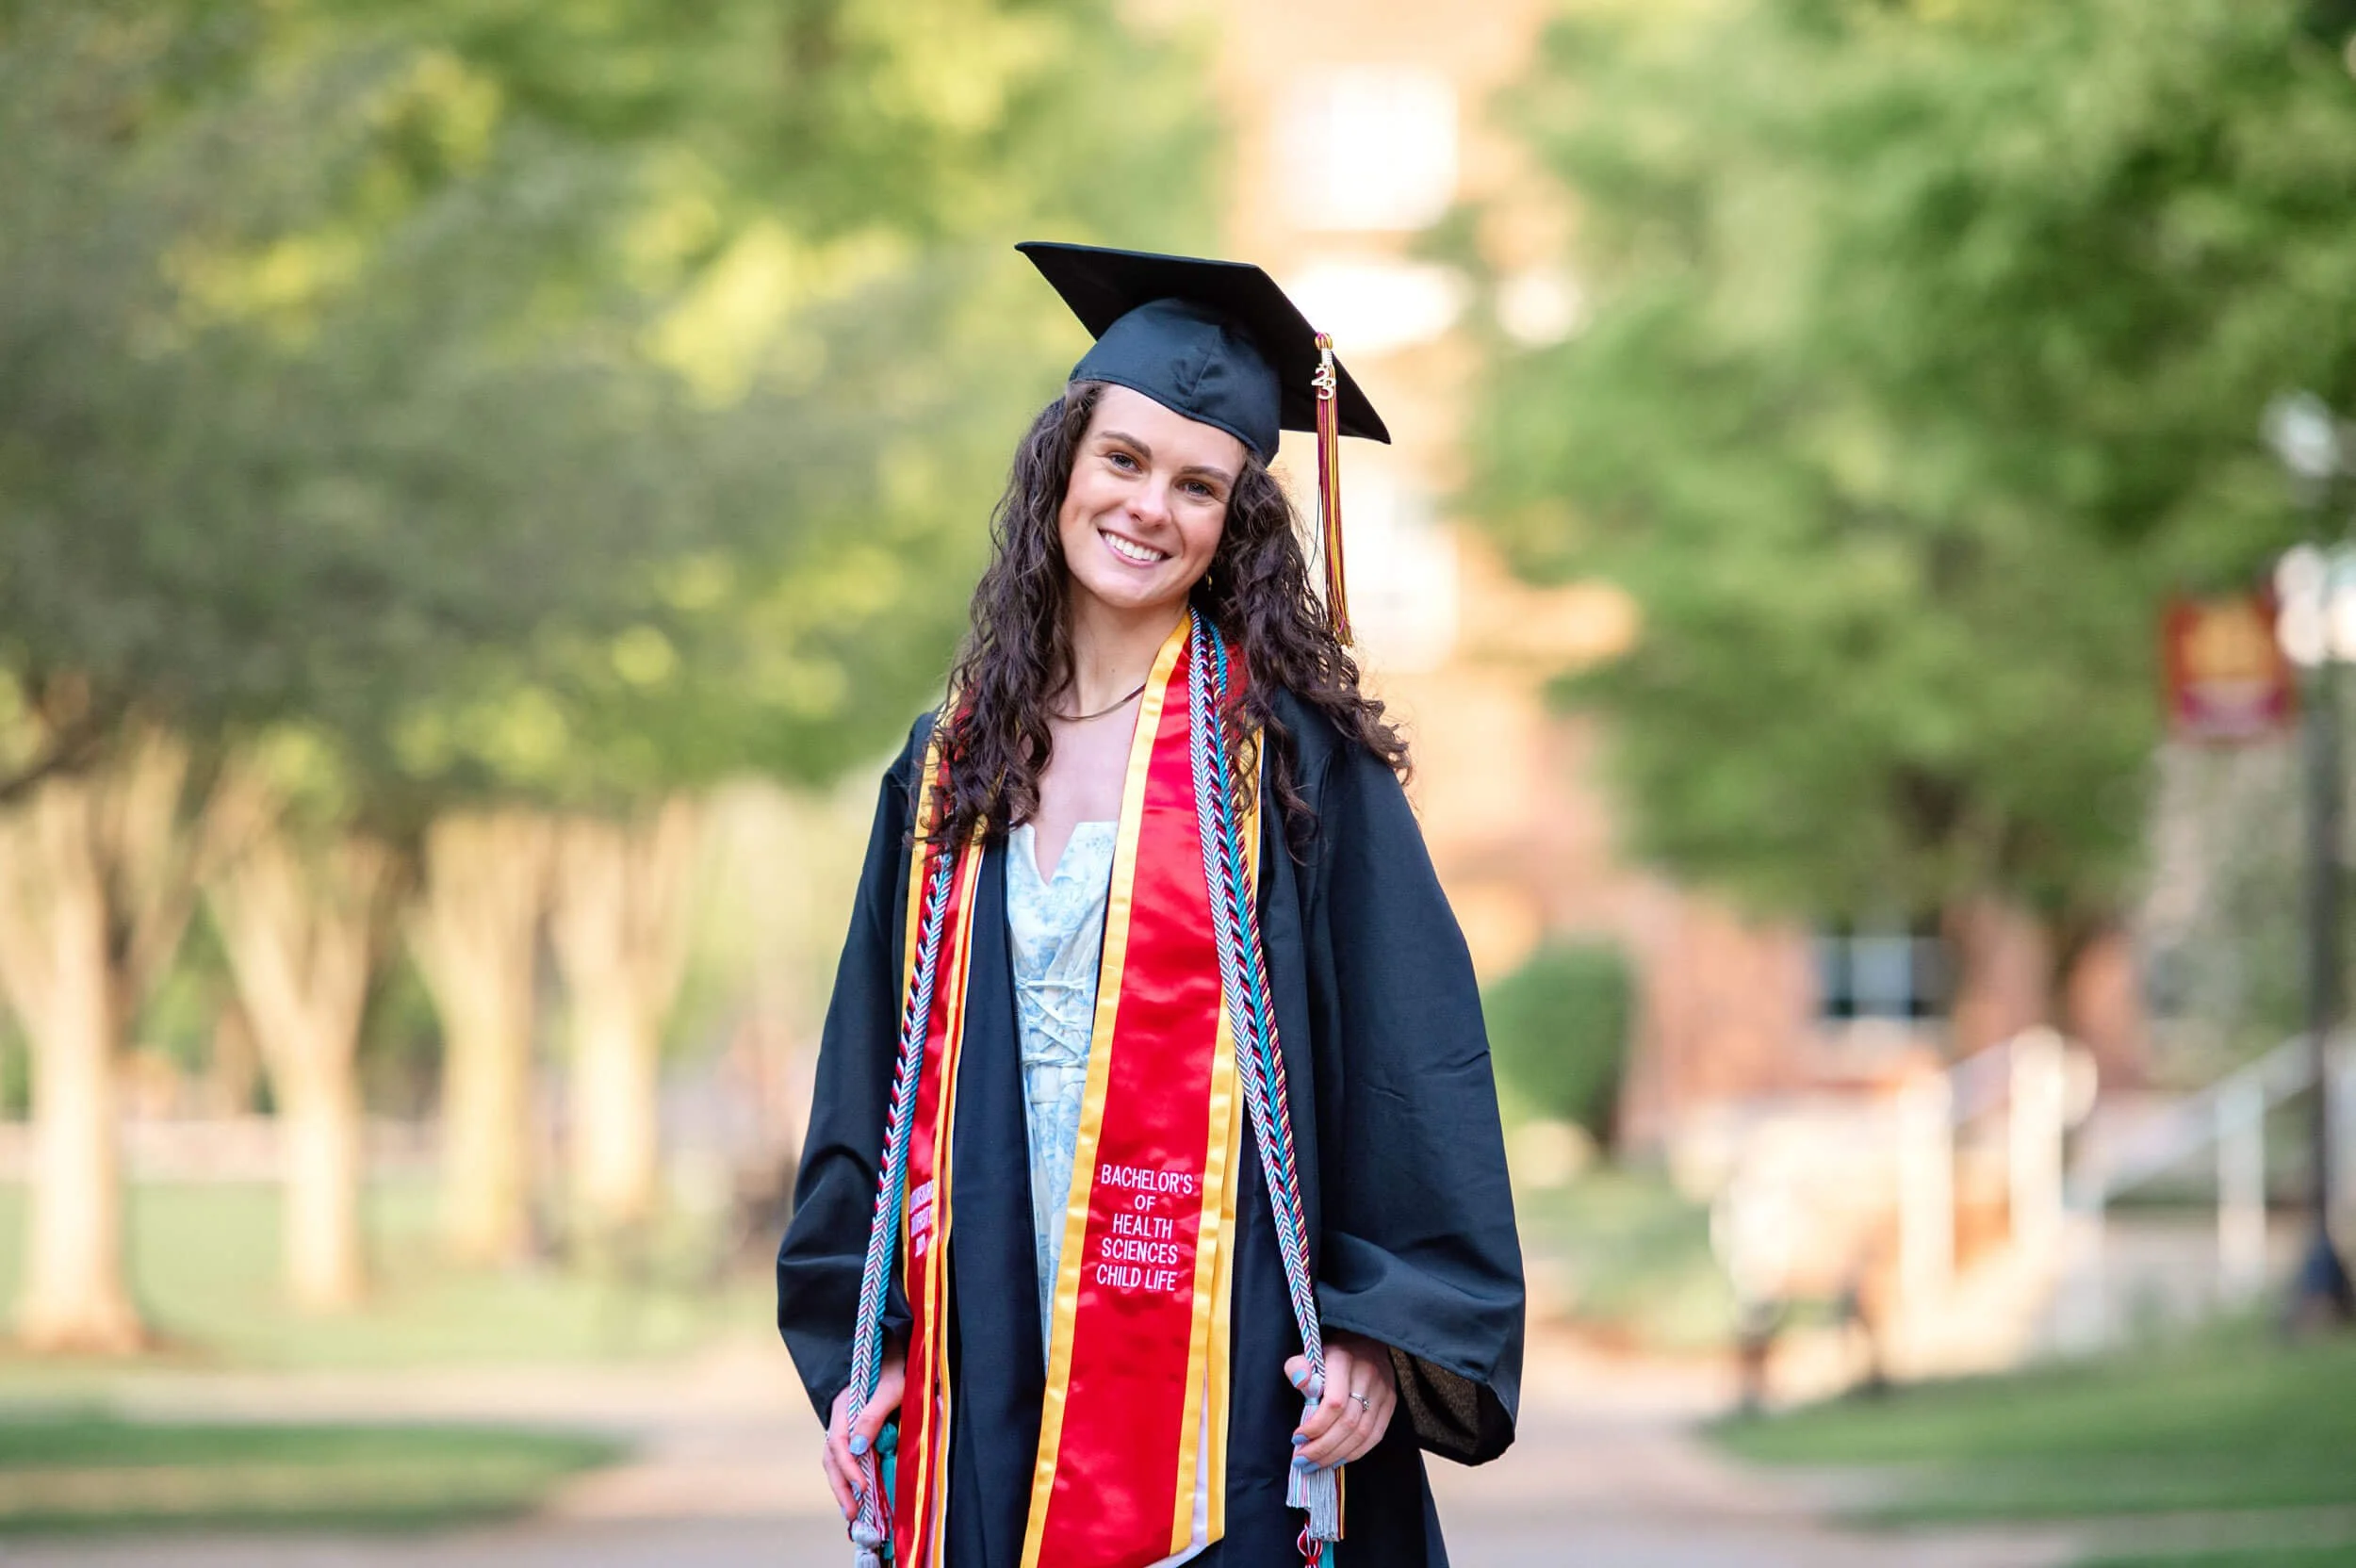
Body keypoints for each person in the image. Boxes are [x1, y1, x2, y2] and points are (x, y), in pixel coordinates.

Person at [777, 242, 1524, 1568]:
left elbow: (1412, 1065)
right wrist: (871, 1333)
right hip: (985, 1321)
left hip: (1224, 1345)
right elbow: (869, 1084)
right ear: (1062, 464)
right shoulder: (950, 761)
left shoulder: (1289, 768)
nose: (1148, 508)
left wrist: (1374, 1326)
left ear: (1235, 522)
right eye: (1123, 460)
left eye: (1198, 485)